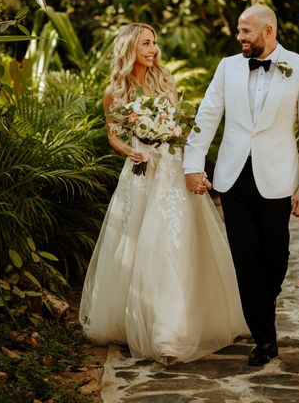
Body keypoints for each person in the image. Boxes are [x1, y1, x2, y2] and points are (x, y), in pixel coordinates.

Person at [79, 22, 248, 365]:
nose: (153, 49)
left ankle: (167, 332)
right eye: (145, 43)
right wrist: (130, 151)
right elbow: (113, 134)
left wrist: (193, 168)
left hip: (171, 168)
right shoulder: (115, 90)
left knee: (171, 244)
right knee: (137, 245)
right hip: (141, 171)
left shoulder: (165, 80)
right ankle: (140, 323)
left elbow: (180, 129)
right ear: (129, 48)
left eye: (154, 42)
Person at [183, 4, 299, 366]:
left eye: (246, 31)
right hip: (233, 177)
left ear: (268, 31)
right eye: (239, 31)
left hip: (277, 178)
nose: (240, 37)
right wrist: (192, 164)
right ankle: (264, 338)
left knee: (275, 259)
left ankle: (264, 306)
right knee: (245, 258)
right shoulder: (227, 67)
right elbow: (207, 114)